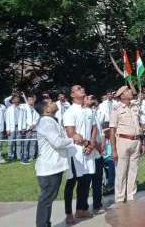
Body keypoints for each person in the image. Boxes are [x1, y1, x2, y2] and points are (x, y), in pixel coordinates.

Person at [35, 100, 83, 227]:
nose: (54, 102)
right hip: (49, 167)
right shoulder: (46, 122)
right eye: (51, 102)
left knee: (49, 198)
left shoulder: (51, 121)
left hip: (53, 166)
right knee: (46, 199)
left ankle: (46, 223)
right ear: (46, 109)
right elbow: (56, 142)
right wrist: (72, 138)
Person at [63, 85, 99, 224]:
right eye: (78, 88)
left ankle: (81, 209)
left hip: (88, 150)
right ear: (72, 95)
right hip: (75, 151)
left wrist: (92, 144)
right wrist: (86, 143)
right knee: (72, 182)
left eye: (82, 88)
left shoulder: (89, 110)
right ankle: (68, 212)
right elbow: (70, 133)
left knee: (85, 180)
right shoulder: (70, 111)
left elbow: (94, 128)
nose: (82, 89)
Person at [109, 86, 145, 204]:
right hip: (123, 141)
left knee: (133, 171)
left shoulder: (135, 106)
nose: (130, 91)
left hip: (136, 141)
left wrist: (143, 142)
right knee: (121, 171)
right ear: (122, 96)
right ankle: (120, 198)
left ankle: (131, 196)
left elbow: (139, 125)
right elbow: (112, 130)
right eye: (127, 90)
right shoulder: (116, 109)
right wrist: (113, 150)